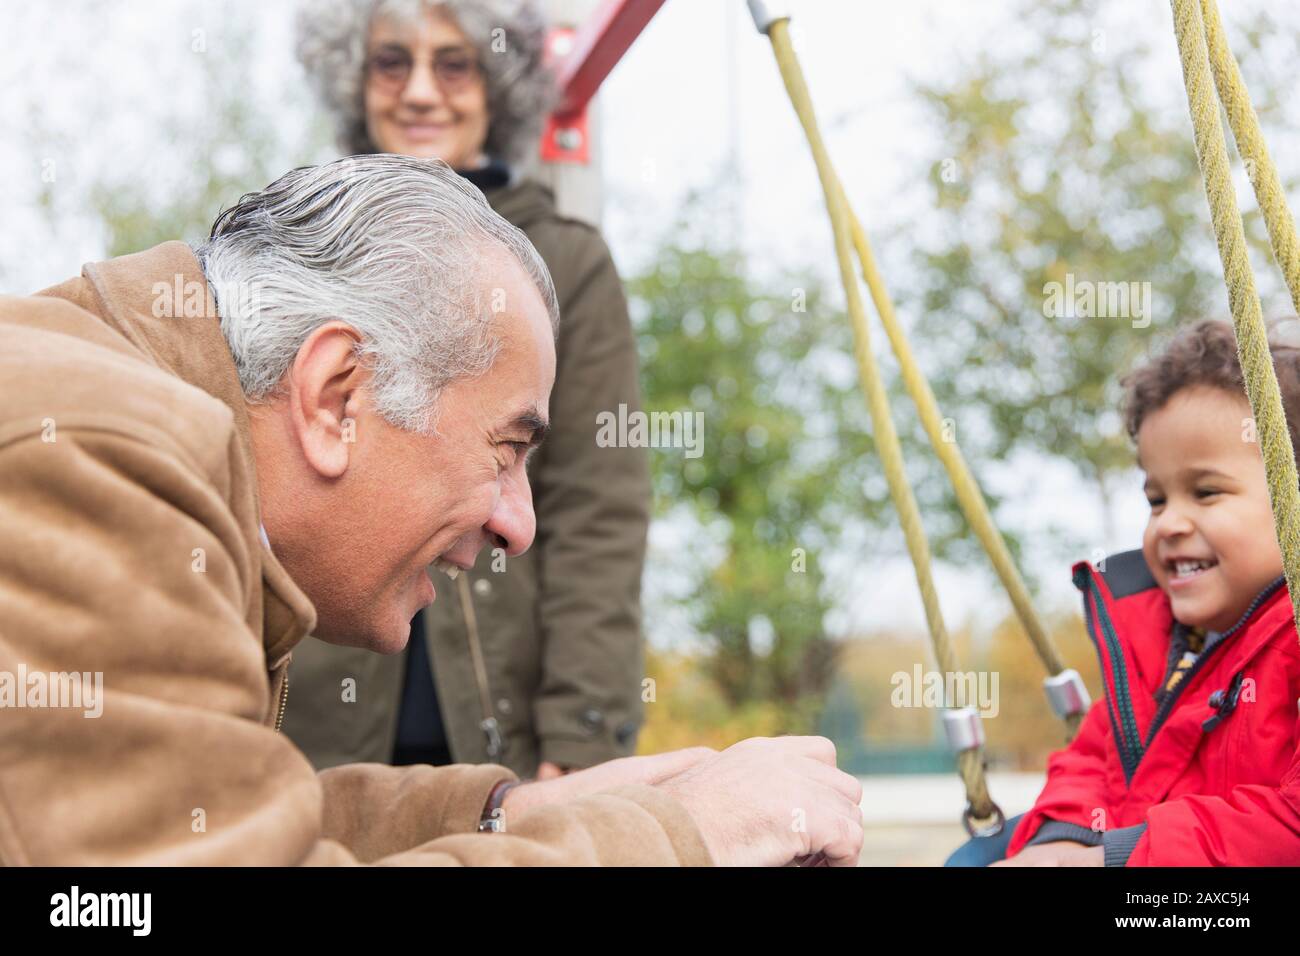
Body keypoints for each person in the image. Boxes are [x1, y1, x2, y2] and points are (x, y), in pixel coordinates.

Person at [0, 154, 865, 866]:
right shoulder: (96, 460)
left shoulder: (111, 424)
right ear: (338, 396)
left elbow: (217, 826)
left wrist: (514, 813)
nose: (518, 526)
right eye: (508, 449)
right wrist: (677, 839)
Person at [286, 0, 650, 780]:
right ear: (355, 78)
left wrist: (584, 733)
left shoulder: (569, 265)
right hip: (313, 733)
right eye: (393, 61)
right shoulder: (294, 250)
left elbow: (599, 512)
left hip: (504, 736)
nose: (421, 91)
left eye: (454, 63)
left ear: (498, 84)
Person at [950, 319, 1300, 866]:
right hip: (1131, 857)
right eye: (1156, 500)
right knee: (974, 858)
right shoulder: (1154, 642)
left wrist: (1110, 859)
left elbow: (1288, 828)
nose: (1168, 524)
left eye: (1205, 492)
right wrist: (1063, 841)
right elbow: (1091, 759)